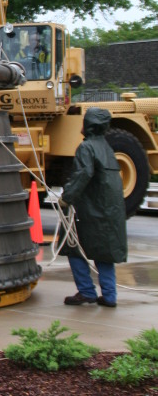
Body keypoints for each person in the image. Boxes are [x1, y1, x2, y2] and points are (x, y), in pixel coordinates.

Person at [59, 107, 127, 307]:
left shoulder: (86, 147)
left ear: (88, 124)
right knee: (104, 253)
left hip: (90, 210)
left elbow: (83, 174)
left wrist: (67, 197)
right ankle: (109, 296)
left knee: (74, 247)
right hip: (110, 210)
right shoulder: (106, 147)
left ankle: (86, 291)